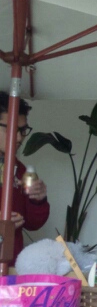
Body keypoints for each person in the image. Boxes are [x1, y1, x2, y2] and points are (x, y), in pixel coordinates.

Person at [0, 91, 49, 259]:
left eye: (23, 130)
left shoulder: (20, 170)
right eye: (11, 129)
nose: (19, 137)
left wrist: (38, 200)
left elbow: (33, 224)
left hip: (10, 265)